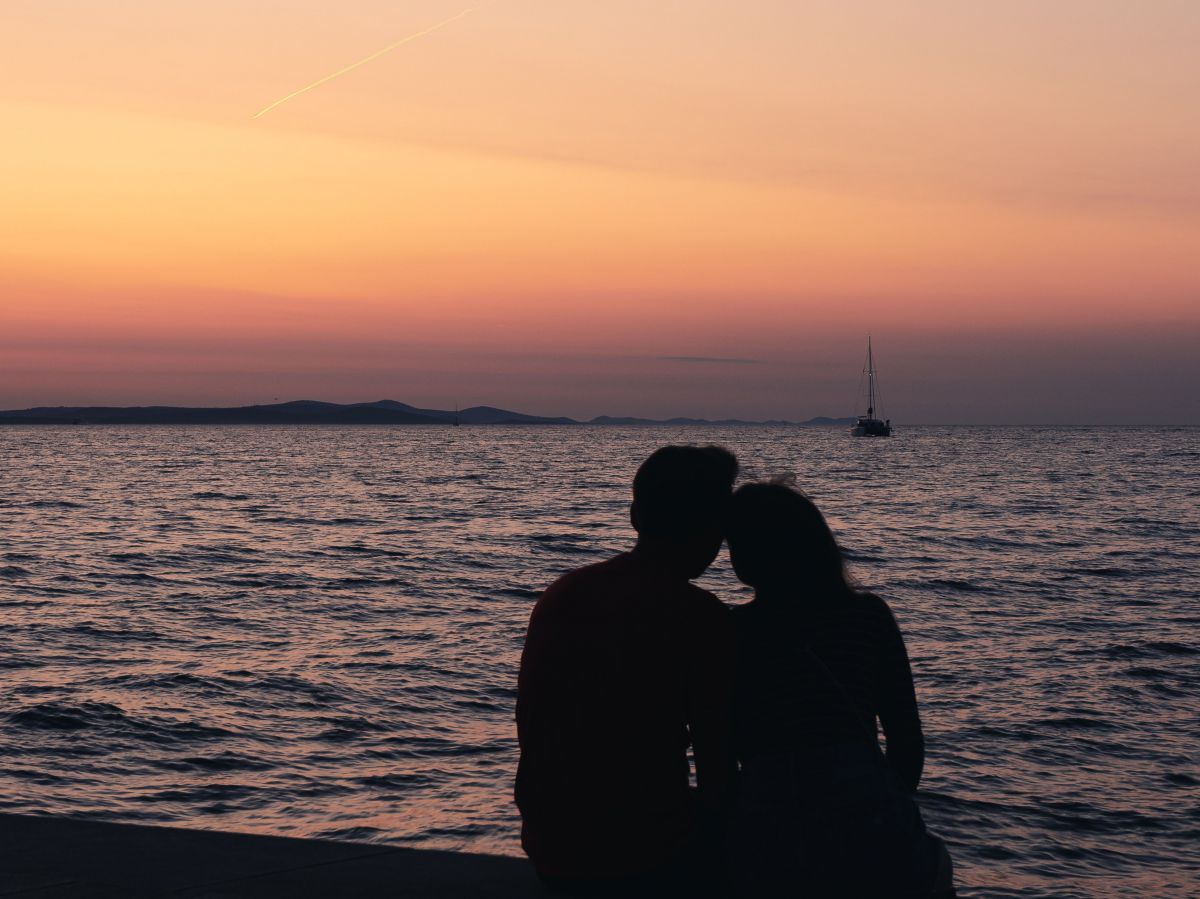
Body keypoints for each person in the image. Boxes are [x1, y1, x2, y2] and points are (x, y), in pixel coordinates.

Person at [515, 445, 738, 895]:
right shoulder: (697, 615)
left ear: (635, 517)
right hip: (644, 855)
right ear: (714, 528)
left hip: (552, 846)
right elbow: (718, 767)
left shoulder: (562, 594)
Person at [726, 478, 954, 898]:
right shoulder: (868, 616)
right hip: (870, 829)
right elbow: (906, 740)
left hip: (772, 831)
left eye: (735, 542)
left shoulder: (734, 632)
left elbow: (727, 748)